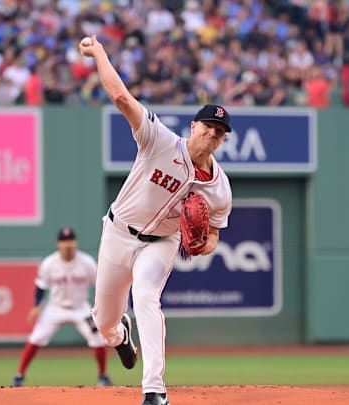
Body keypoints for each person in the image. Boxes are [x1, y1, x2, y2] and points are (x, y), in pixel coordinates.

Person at [78, 35, 233, 405]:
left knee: (147, 296)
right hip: (118, 234)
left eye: (220, 132)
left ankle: (154, 390)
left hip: (162, 244)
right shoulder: (159, 140)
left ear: (223, 141)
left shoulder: (220, 189)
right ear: (194, 126)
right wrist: (99, 52)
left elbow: (212, 235)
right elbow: (121, 98)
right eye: (208, 126)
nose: (213, 133)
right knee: (104, 322)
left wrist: (201, 244)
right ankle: (120, 337)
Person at [11, 227, 112, 388]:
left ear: (76, 242)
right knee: (35, 338)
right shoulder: (49, 263)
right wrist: (36, 306)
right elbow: (41, 286)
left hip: (80, 308)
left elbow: (100, 285)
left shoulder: (86, 262)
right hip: (55, 308)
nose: (68, 244)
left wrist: (101, 307)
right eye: (64, 241)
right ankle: (19, 375)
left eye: (70, 240)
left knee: (98, 339)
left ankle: (103, 376)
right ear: (58, 244)